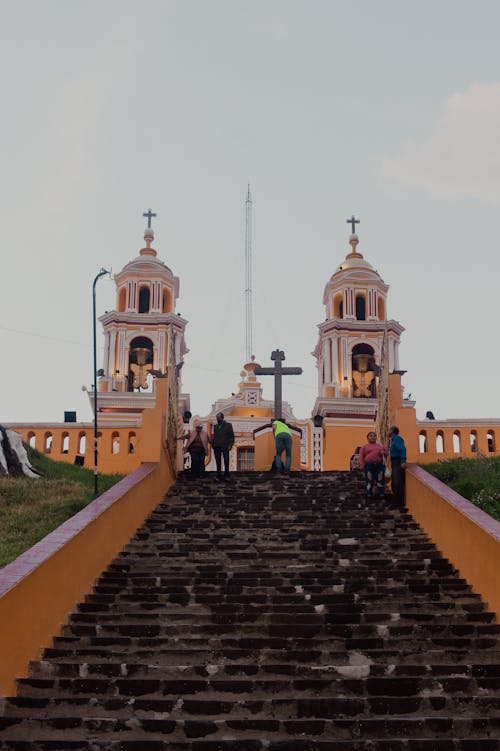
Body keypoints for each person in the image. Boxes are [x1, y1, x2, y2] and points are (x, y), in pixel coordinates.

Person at [359, 431, 388, 498]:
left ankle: (381, 493)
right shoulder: (364, 447)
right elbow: (361, 456)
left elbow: (387, 453)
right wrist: (362, 464)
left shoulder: (380, 446)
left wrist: (383, 452)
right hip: (369, 465)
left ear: (376, 438)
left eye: (374, 436)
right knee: (369, 480)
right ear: (367, 438)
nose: (373, 437)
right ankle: (369, 493)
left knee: (380, 480)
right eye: (371, 436)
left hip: (379, 465)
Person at [210, 412, 234, 481]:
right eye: (216, 417)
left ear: (222, 417)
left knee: (226, 460)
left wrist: (230, 445)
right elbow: (213, 436)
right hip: (216, 446)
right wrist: (212, 444)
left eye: (218, 417)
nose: (217, 419)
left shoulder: (228, 425)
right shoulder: (215, 426)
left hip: (225, 445)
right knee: (218, 461)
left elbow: (231, 436)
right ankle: (218, 475)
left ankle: (227, 475)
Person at [389, 425, 407, 504]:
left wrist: (403, 461)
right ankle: (396, 500)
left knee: (397, 481)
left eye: (389, 430)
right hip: (394, 462)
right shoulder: (393, 440)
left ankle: (398, 501)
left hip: (397, 461)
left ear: (392, 431)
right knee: (395, 481)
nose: (387, 431)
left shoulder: (397, 438)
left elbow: (402, 449)